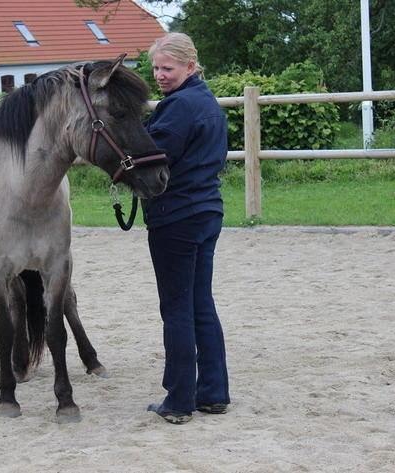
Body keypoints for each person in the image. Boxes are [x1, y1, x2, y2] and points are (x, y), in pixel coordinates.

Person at [143, 32, 230, 425]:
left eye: (168, 68)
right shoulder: (207, 102)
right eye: (157, 68)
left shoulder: (178, 107)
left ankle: (179, 400)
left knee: (177, 308)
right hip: (206, 210)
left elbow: (151, 157)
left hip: (176, 215)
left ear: (190, 66)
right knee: (200, 304)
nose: (160, 75)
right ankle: (213, 392)